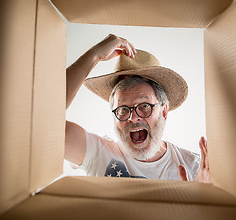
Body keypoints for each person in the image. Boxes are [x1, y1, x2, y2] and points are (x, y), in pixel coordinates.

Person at [65, 34, 211, 183]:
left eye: (144, 106)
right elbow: (44, 115)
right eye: (122, 109)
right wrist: (94, 55)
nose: (133, 118)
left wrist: (200, 200)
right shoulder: (96, 152)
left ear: (164, 111)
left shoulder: (194, 167)